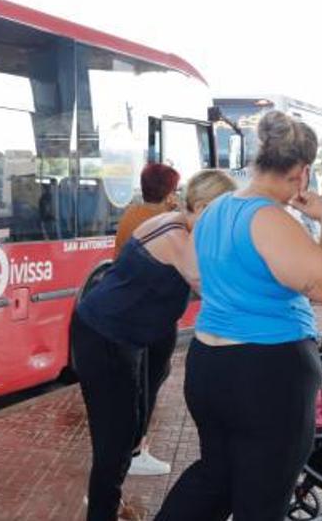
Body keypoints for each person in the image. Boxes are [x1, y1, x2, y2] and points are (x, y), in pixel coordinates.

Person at [158, 111, 322, 521]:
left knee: (216, 476)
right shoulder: (270, 219)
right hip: (267, 373)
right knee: (263, 498)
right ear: (302, 172)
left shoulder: (215, 210)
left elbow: (198, 276)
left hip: (209, 364)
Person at [72, 170, 237, 521]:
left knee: (129, 431)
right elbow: (215, 289)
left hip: (123, 337)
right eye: (226, 214)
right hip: (103, 335)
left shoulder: (180, 223)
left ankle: (111, 506)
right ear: (205, 207)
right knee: (114, 442)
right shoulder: (177, 237)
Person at [110, 163, 182, 478]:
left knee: (139, 381)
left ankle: (133, 447)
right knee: (149, 382)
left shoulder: (131, 215)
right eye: (175, 190)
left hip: (130, 311)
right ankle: (136, 450)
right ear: (168, 193)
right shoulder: (165, 222)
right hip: (152, 314)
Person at [115, 163, 181, 251]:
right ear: (169, 196)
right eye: (175, 190)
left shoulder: (131, 212)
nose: (177, 195)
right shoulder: (167, 225)